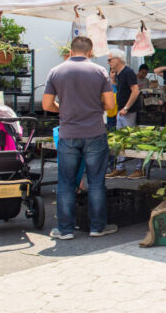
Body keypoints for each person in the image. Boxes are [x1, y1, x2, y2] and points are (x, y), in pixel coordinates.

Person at [42, 36, 118, 240]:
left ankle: (65, 230)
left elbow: (46, 105)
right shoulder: (100, 71)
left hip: (68, 134)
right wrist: (94, 107)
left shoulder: (56, 71)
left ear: (70, 50)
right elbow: (110, 105)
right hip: (94, 133)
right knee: (96, 182)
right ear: (90, 52)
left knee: (66, 183)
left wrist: (64, 109)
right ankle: (97, 227)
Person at [105, 48, 144, 179]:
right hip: (121, 110)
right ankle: (120, 167)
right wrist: (113, 81)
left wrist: (127, 107)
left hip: (128, 111)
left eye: (110, 59)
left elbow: (135, 91)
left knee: (132, 138)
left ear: (118, 59)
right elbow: (121, 90)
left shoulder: (128, 72)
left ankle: (139, 168)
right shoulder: (119, 74)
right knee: (120, 139)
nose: (108, 62)